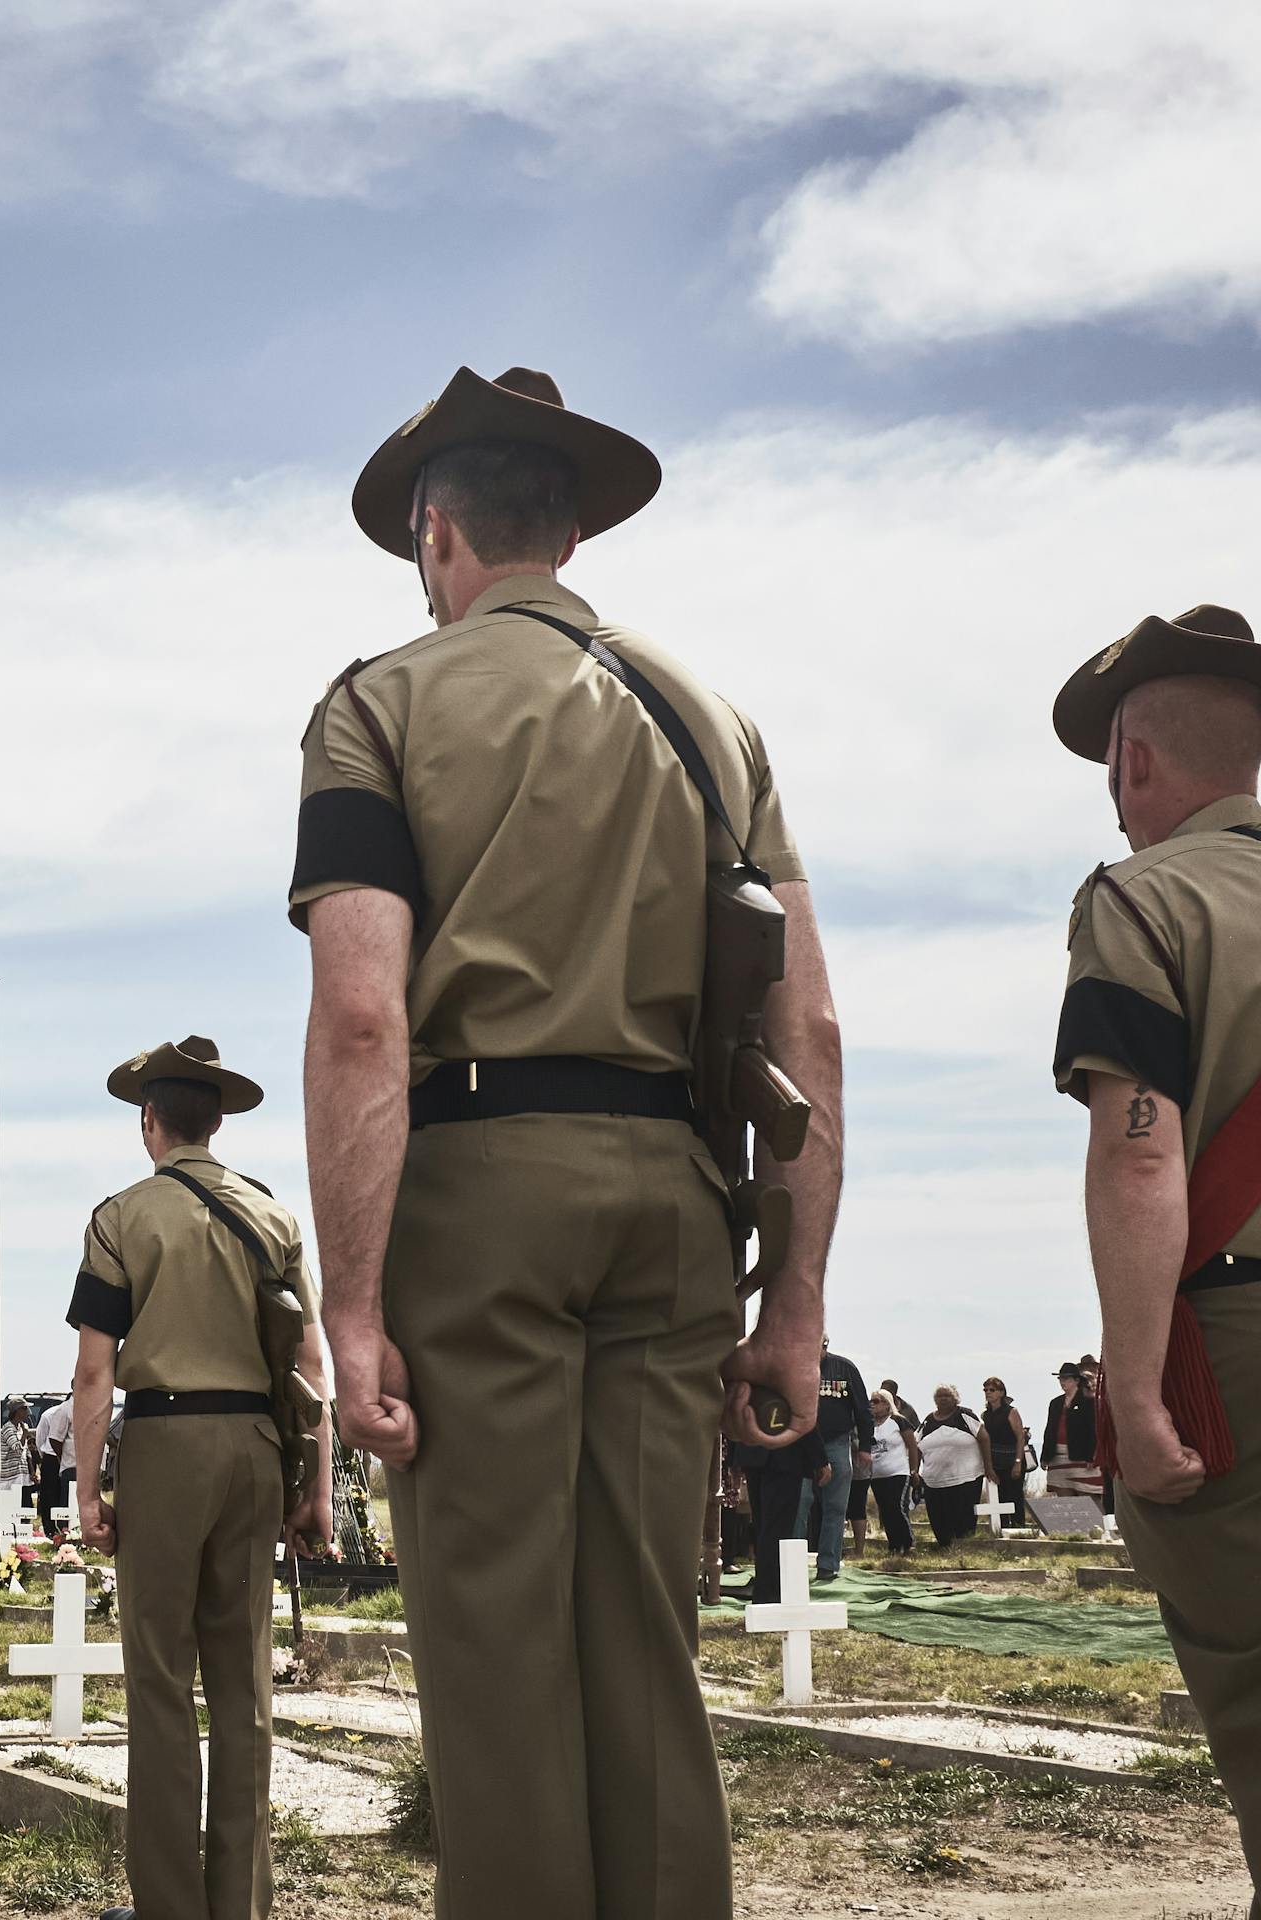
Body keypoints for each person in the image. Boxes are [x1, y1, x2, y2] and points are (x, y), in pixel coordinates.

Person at [291, 366, 842, 1917]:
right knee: (642, 1645)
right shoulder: (717, 718)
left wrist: (348, 1306)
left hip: (480, 1186)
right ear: (573, 533)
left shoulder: (382, 702)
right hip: (678, 1194)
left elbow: (358, 1018)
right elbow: (809, 1034)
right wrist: (795, 1297)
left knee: (494, 1650)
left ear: (436, 532)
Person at [1049, 602, 1261, 1887]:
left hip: (1233, 1347)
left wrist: (1132, 1390)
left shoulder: (1142, 899)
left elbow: (1141, 1150)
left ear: (1132, 759)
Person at [66, 1037, 333, 1920]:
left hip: (168, 1443)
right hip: (258, 1445)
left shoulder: (121, 1217)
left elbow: (94, 1372)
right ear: (217, 1123)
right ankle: (242, 1905)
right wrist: (320, 1484)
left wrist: (87, 1489)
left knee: (158, 1682)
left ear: (149, 1122)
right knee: (244, 1687)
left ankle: (170, 1907)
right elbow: (312, 1365)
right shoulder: (273, 1216)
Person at [793, 1341, 876, 1579]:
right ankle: (794, 1567)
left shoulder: (845, 1368)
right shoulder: (795, 1368)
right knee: (799, 1503)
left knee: (836, 1507)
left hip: (838, 1443)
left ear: (825, 1345)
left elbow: (863, 1410)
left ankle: (828, 1565)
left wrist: (865, 1447)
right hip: (801, 1446)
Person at [732, 1422, 828, 1604]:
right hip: (785, 1454)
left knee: (764, 1527)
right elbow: (802, 1414)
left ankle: (765, 1588)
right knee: (777, 1529)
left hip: (753, 1449)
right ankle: (770, 1594)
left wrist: (736, 1456)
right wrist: (820, 1458)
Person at [918, 1389, 986, 1547]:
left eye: (947, 1396)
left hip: (966, 1478)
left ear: (955, 1399)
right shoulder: (928, 1420)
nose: (943, 1399)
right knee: (939, 1517)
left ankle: (964, 1548)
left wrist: (988, 1467)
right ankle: (945, 1547)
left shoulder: (964, 1416)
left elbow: (984, 1437)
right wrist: (915, 1471)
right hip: (935, 1480)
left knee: (963, 1516)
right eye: (940, 1396)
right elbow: (916, 1444)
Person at [862, 1392, 920, 1554]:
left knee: (896, 1507)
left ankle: (907, 1543)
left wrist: (914, 1469)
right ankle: (894, 1545)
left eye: (876, 1401)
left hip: (898, 1472)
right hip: (877, 1475)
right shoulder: (869, 1425)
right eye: (870, 1402)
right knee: (885, 1510)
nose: (872, 1404)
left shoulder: (898, 1421)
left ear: (887, 1404)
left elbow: (913, 1446)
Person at [1038, 1362, 1102, 1499]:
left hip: (1082, 1456)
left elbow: (1092, 1429)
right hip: (1058, 1456)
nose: (1062, 1382)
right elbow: (1050, 1429)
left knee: (1088, 1498)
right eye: (1060, 1379)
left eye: (1066, 1379)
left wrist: (1092, 1455)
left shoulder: (1088, 1401)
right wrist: (1045, 1455)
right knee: (1066, 1500)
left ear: (1076, 1380)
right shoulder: (1055, 1403)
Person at [979, 1378, 1031, 1527]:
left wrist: (1018, 1462)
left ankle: (1018, 1527)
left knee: (1014, 1495)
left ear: (1001, 1392)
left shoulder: (1011, 1412)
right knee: (999, 1496)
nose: (988, 1393)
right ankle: (1002, 1526)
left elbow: (1020, 1437)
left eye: (992, 1390)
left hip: (1012, 1458)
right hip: (996, 1461)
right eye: (986, 1390)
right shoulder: (986, 1415)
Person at [34, 1393, 76, 1536]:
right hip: (52, 1457)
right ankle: (50, 1529)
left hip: (70, 1459)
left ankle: (67, 1528)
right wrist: (46, 1457)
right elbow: (41, 1438)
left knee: (65, 1495)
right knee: (49, 1495)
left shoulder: (79, 1411)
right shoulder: (49, 1414)